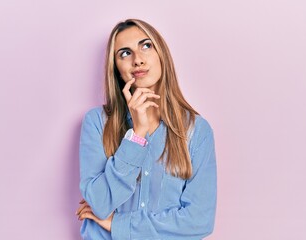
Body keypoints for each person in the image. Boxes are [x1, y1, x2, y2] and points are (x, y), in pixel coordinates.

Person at [76, 19, 217, 240]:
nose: (138, 60)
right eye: (124, 53)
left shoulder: (197, 131)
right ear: (117, 70)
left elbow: (199, 221)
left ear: (161, 54)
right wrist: (137, 135)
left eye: (146, 46)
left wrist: (117, 225)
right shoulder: (96, 122)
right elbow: (100, 204)